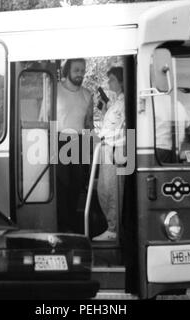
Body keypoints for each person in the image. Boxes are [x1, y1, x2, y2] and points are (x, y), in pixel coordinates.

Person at [56, 58, 94, 233]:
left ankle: (71, 224)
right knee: (61, 185)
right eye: (76, 70)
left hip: (80, 141)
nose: (80, 74)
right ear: (67, 71)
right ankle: (61, 226)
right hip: (59, 140)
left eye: (82, 70)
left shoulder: (87, 95)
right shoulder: (54, 89)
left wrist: (92, 148)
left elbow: (89, 124)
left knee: (77, 185)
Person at [93, 66, 125, 241]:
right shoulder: (116, 103)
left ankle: (113, 230)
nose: (109, 82)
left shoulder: (126, 102)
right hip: (107, 148)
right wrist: (105, 109)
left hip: (116, 149)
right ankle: (111, 227)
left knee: (112, 191)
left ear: (121, 80)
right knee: (103, 190)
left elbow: (123, 129)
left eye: (112, 79)